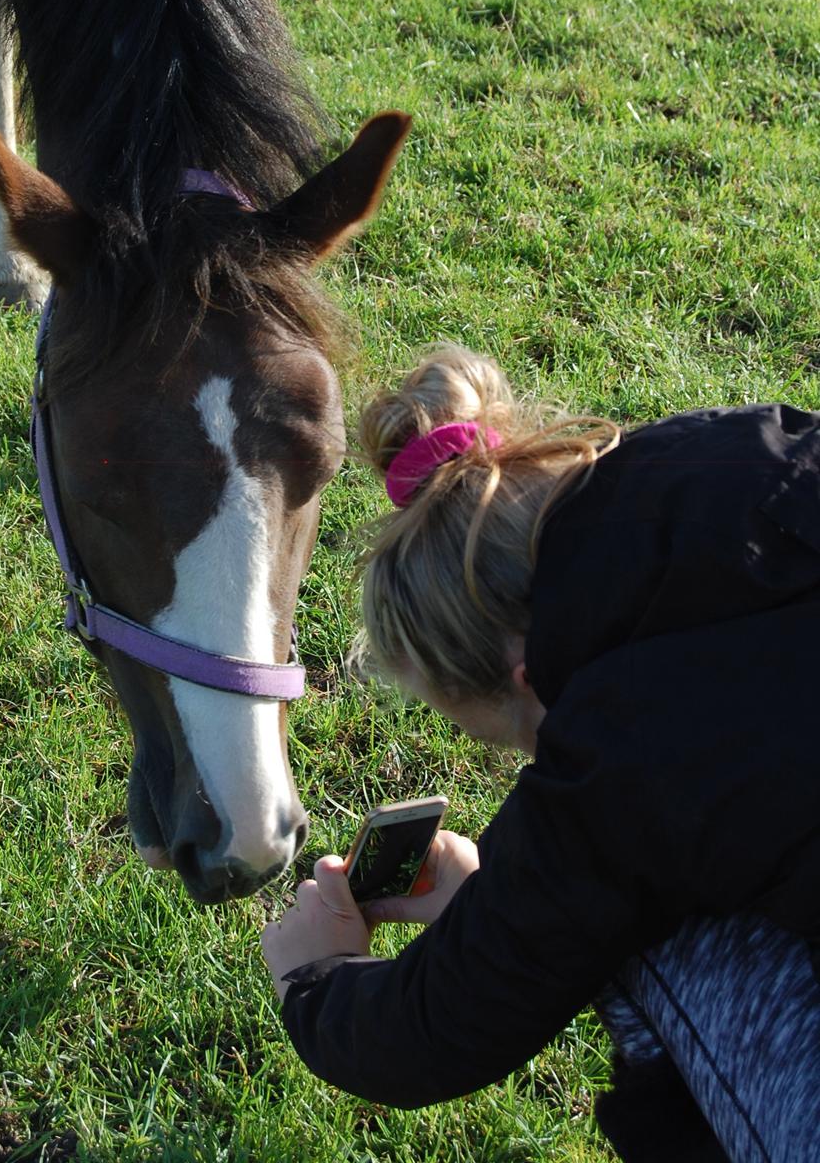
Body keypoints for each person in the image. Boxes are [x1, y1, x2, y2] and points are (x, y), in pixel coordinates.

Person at [259, 346, 820, 1163]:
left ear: (526, 677)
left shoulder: (623, 745)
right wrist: (497, 899)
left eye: (522, 739)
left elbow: (441, 1022)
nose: (544, 759)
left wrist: (314, 981)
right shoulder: (750, 455)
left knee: (653, 944)